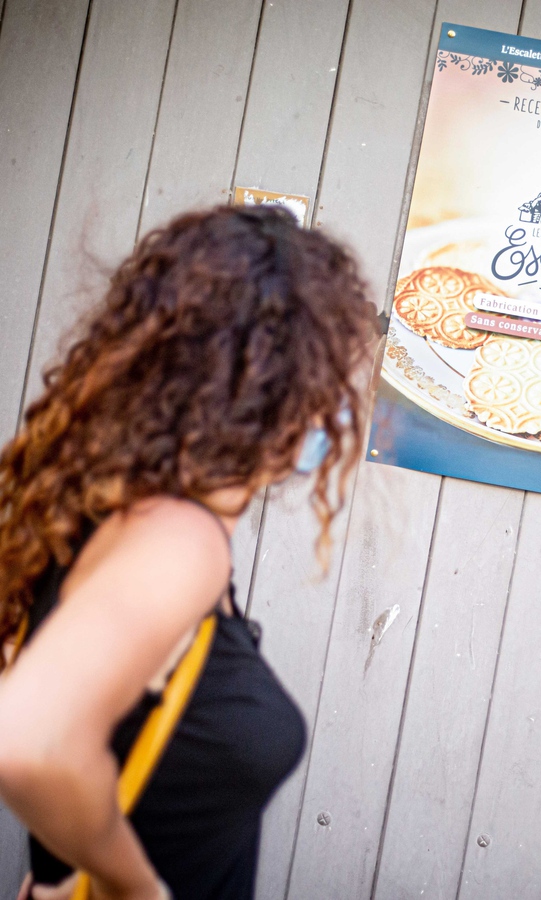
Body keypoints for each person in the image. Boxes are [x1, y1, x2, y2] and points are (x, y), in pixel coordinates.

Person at [0, 205, 377, 900]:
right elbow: (26, 741)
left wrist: (66, 864)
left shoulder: (112, 511)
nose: (337, 413)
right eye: (325, 382)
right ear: (264, 384)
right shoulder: (179, 538)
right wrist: (130, 885)